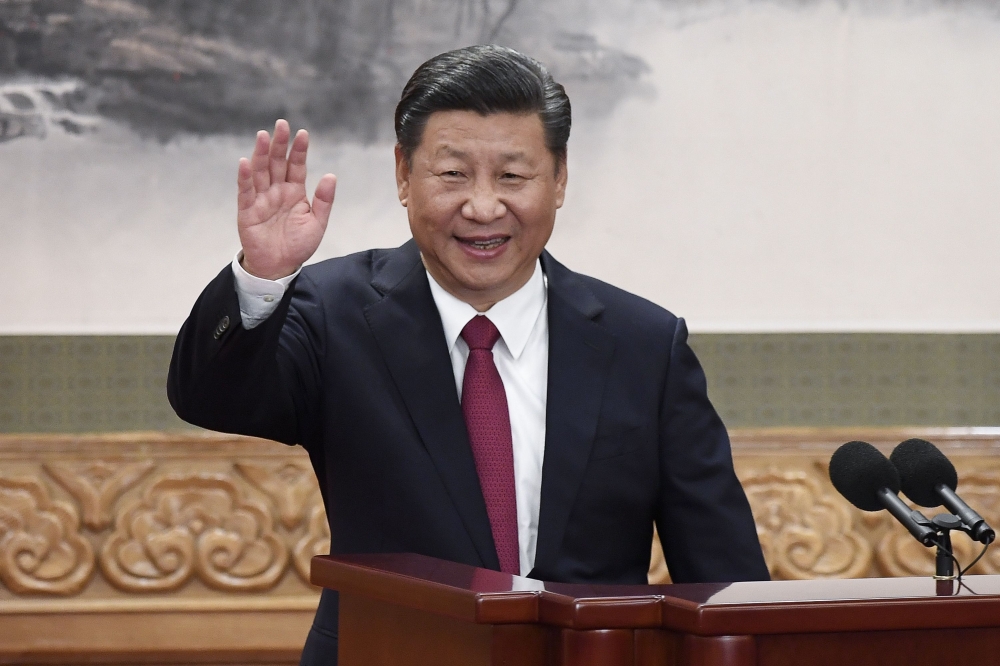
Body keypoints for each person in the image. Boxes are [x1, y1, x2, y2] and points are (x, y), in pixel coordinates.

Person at [168, 45, 769, 665]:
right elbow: (212, 397)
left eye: (513, 176)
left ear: (559, 179)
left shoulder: (644, 345)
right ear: (403, 174)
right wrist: (263, 276)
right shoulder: (333, 311)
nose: (483, 207)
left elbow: (725, 585)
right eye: (452, 174)